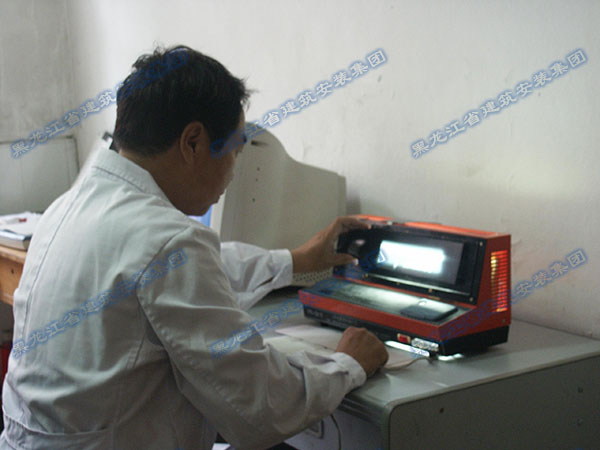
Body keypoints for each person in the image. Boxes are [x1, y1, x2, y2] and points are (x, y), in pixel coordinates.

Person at [0, 45, 388, 450]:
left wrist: (295, 261)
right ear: (193, 142)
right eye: (236, 150)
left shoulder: (69, 207)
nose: (234, 170)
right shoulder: (166, 240)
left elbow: (181, 269)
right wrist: (348, 365)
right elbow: (259, 406)